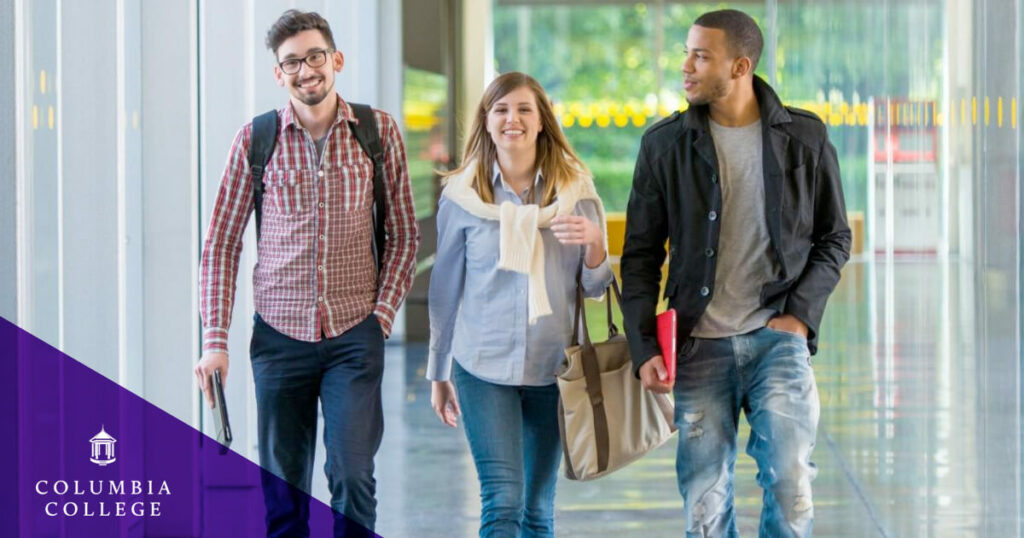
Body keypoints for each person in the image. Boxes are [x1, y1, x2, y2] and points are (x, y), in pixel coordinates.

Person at [620, 9, 851, 538]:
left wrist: (798, 317)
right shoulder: (664, 145)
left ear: (741, 66)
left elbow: (835, 236)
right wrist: (644, 347)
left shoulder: (805, 137)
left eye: (701, 55)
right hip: (698, 346)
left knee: (791, 484)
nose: (686, 66)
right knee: (705, 504)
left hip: (777, 340)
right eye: (686, 52)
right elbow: (639, 256)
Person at [192, 9, 419, 537]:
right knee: (284, 490)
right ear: (279, 73)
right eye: (291, 61)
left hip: (353, 334)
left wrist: (380, 318)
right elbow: (221, 244)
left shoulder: (377, 132)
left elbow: (404, 234)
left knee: (353, 477)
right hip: (278, 337)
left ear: (336, 60)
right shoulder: (255, 140)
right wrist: (214, 340)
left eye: (315, 56)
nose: (305, 70)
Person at [426, 71, 613, 537]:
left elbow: (593, 288)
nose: (513, 119)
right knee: (503, 501)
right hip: (482, 366)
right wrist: (438, 371)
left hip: (552, 369)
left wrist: (594, 244)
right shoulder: (462, 198)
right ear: (486, 122)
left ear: (542, 121)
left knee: (535, 507)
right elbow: (445, 290)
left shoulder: (575, 194)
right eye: (501, 109)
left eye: (524, 109)